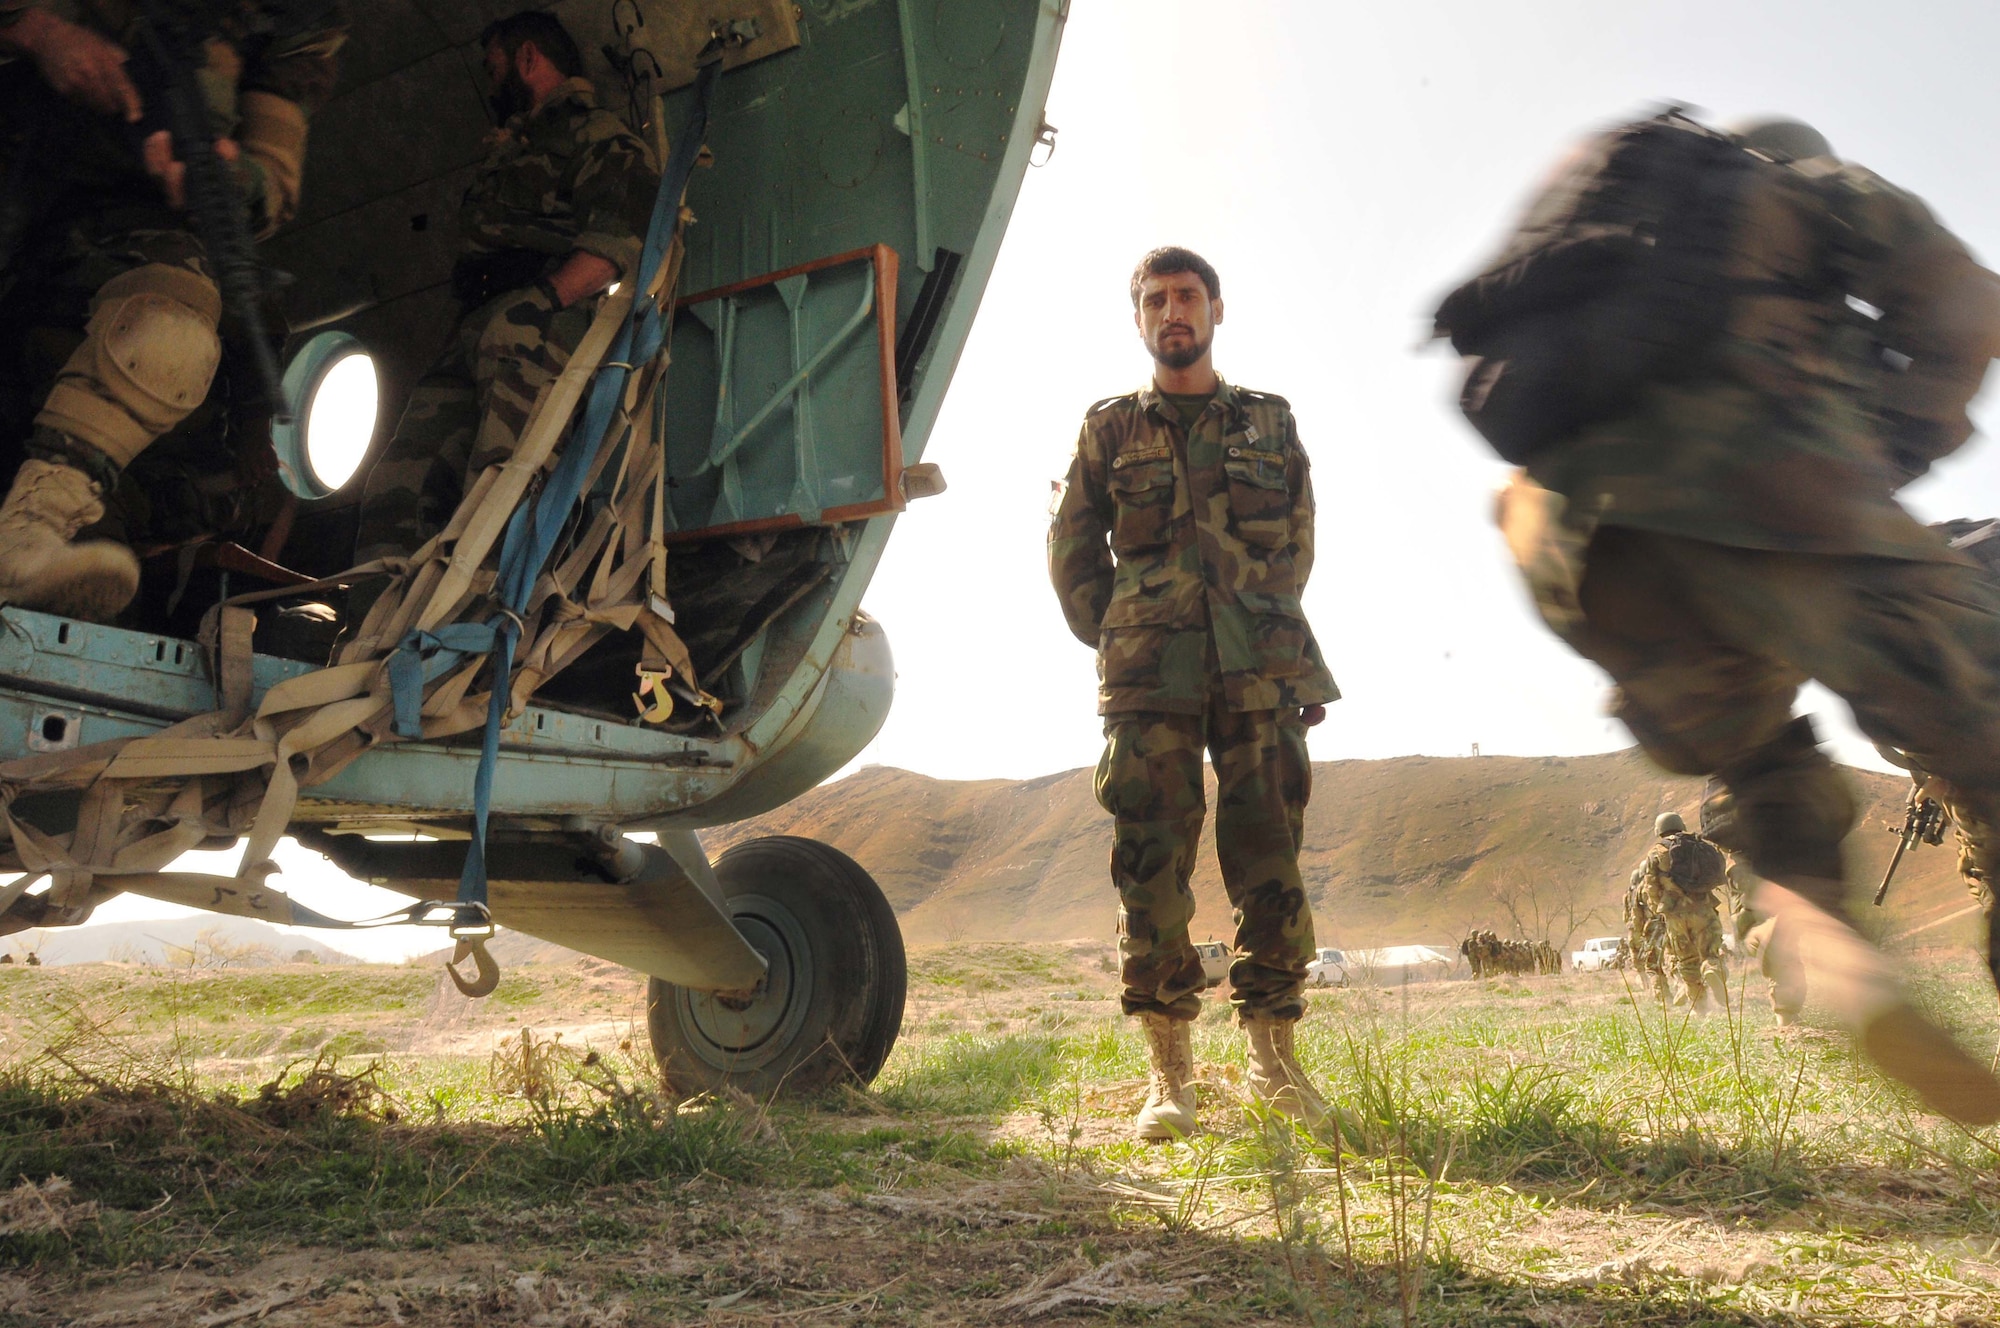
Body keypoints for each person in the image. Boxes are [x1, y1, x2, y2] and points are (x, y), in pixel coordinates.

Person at [1444, 112, 2000, 1123]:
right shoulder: (1813, 194)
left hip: (1571, 549)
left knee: (1764, 762)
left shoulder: (1610, 240)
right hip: (1772, 494)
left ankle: (1801, 905)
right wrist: (1889, 449)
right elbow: (1966, 307)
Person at [1048, 246, 1340, 1140]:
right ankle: (1170, 1082)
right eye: (1156, 300)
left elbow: (1296, 542)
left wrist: (1262, 624)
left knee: (1272, 867)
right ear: (1138, 319)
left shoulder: (1269, 423)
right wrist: (1132, 626)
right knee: (1151, 869)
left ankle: (1275, 1068)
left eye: (1187, 297)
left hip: (1258, 667)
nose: (1173, 312)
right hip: (1150, 678)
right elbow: (1072, 555)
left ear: (1216, 310)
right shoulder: (1107, 432)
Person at [0, 0, 346, 621]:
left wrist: (229, 179)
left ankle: (30, 533)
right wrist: (39, 31)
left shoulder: (293, 17)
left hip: (116, 219)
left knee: (172, 334)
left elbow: (275, 174)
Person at [350, 10, 656, 624]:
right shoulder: (518, 145)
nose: (490, 85)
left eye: (494, 68)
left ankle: (479, 644)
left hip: (533, 325)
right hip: (475, 324)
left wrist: (541, 305)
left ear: (526, 60)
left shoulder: (594, 133)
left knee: (504, 476)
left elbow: (619, 239)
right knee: (399, 484)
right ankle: (373, 632)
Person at [1635, 812, 1726, 1010]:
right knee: (1711, 950)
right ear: (1681, 824)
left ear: (1659, 829)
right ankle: (1711, 968)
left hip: (1675, 915)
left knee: (1687, 961)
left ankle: (1700, 1007)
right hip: (1704, 908)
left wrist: (1662, 909)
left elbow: (1651, 887)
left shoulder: (1656, 852)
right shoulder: (1696, 845)